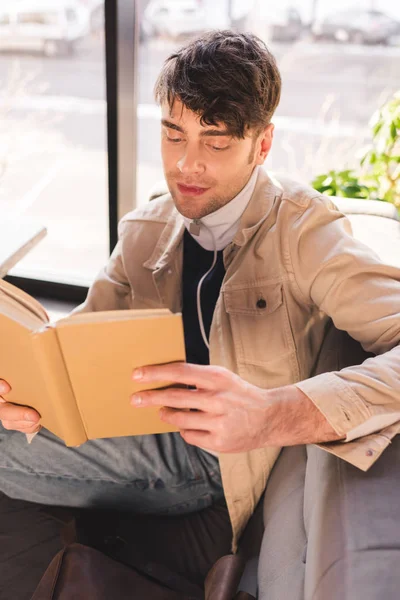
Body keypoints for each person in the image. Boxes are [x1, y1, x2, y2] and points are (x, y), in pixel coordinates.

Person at [0, 31, 399, 599]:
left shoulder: (305, 232)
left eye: (216, 142)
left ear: (261, 146)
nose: (187, 164)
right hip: (135, 421)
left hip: (212, 463)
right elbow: (69, 351)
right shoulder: (145, 229)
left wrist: (274, 414)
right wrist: (25, 396)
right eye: (172, 134)